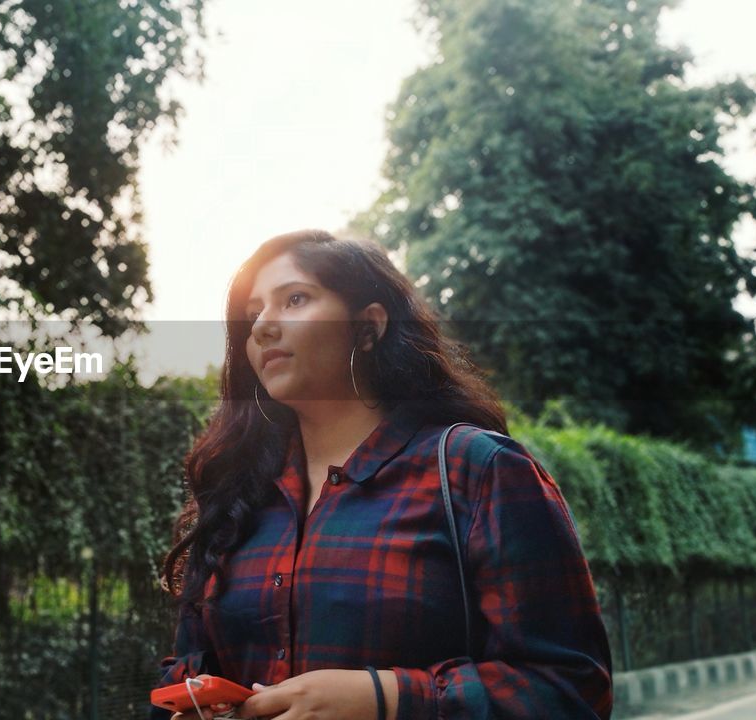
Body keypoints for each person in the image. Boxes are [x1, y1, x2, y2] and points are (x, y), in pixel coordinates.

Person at [151, 229, 612, 719]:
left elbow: (572, 689)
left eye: (295, 299)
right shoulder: (235, 495)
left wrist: (384, 699)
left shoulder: (478, 471)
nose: (263, 326)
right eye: (253, 314)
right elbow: (182, 673)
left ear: (368, 327)